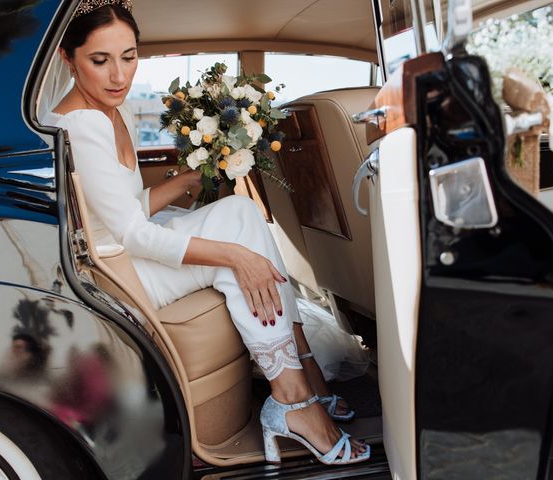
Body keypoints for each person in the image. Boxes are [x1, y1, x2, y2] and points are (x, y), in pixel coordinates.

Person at [42, 0, 370, 465]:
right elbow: (131, 236)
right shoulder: (82, 124)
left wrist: (180, 183)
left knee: (239, 212)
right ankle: (296, 397)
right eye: (100, 60)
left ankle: (303, 384)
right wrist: (234, 257)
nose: (119, 76)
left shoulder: (109, 111)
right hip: (120, 274)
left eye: (129, 57)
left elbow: (118, 211)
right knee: (239, 238)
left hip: (126, 247)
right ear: (67, 58)